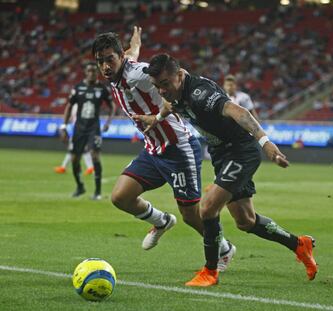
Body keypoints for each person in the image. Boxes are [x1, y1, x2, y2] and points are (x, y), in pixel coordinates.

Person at [136, 53, 318, 287]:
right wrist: (156, 118)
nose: (161, 91)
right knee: (246, 221)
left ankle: (210, 271)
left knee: (208, 208)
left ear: (180, 75)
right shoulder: (174, 93)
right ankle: (299, 245)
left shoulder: (201, 94)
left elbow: (240, 112)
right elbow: (170, 105)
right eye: (157, 86)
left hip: (241, 151)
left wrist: (266, 144)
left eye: (165, 84)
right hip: (222, 154)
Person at [91, 28, 235, 270]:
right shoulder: (118, 72)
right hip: (153, 149)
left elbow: (175, 88)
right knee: (120, 197)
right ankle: (162, 221)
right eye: (100, 62)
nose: (105, 66)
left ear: (120, 58)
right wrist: (135, 41)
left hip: (179, 147)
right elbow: (132, 52)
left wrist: (157, 117)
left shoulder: (137, 74)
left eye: (109, 59)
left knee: (191, 215)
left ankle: (224, 249)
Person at [59, 62, 115, 200]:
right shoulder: (78, 88)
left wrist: (108, 122)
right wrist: (64, 126)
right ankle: (80, 186)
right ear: (85, 72)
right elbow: (69, 106)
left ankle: (97, 192)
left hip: (94, 128)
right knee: (74, 159)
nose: (92, 73)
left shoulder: (102, 89)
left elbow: (112, 106)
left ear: (97, 73)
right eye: (89, 71)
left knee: (95, 156)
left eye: (94, 71)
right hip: (78, 128)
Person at [54, 104, 94, 175]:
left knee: (73, 149)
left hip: (80, 129)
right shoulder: (76, 105)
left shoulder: (79, 104)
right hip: (78, 128)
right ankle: (90, 168)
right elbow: (73, 118)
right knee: (82, 149)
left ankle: (63, 167)